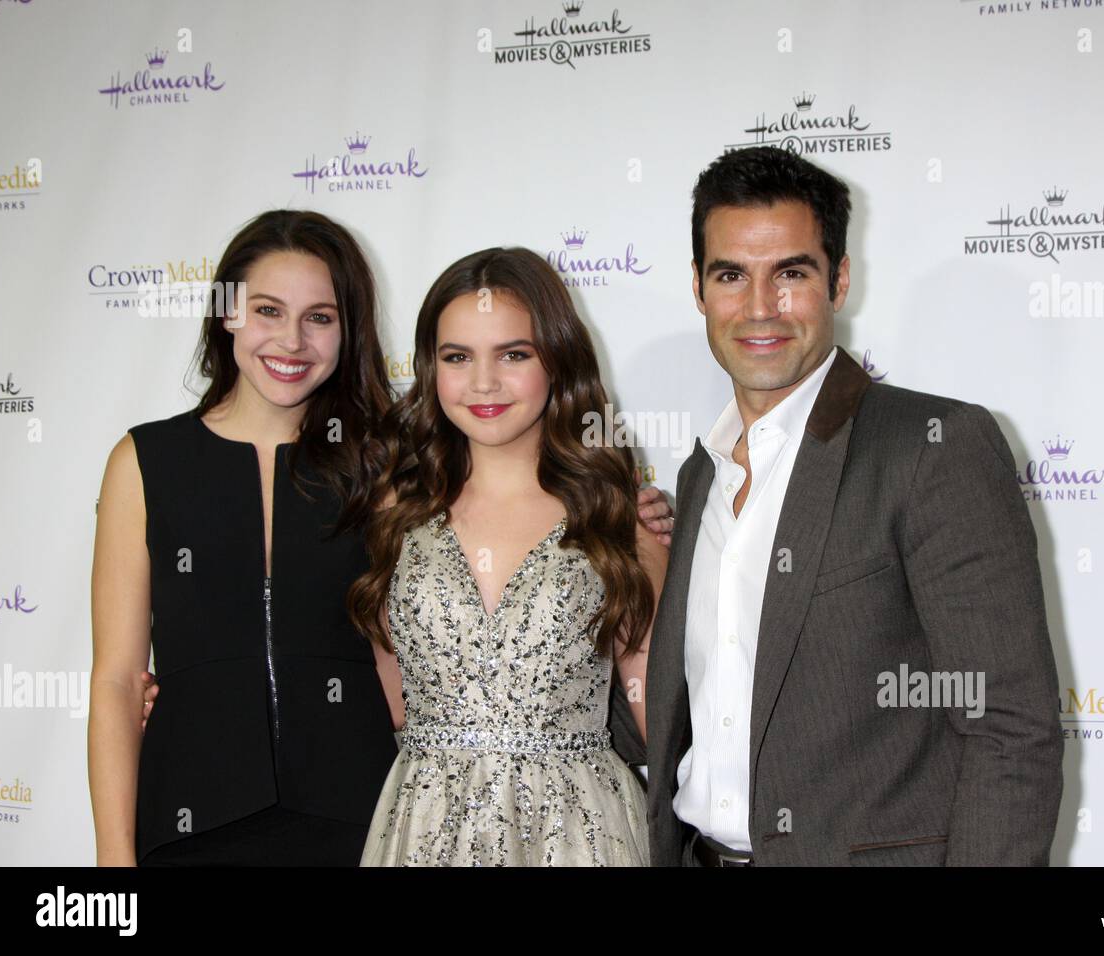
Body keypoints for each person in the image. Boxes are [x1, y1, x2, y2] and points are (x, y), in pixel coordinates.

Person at [97, 212, 674, 866]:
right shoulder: (159, 462)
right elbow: (118, 679)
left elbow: (650, 708)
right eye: (266, 310)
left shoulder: (381, 470)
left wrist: (635, 520)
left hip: (370, 816)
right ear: (225, 312)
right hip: (215, 817)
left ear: (350, 331)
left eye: (320, 316)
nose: (292, 339)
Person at [644, 147, 1064, 866]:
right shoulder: (698, 476)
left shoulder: (932, 447)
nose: (759, 308)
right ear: (697, 287)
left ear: (839, 280)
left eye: (792, 273)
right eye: (730, 275)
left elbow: (1009, 732)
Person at [349, 247, 666, 866]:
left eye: (514, 354)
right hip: (423, 831)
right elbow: (391, 702)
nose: (484, 382)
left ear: (558, 358)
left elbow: (654, 709)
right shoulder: (397, 511)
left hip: (580, 837)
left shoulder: (619, 516)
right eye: (457, 357)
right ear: (429, 367)